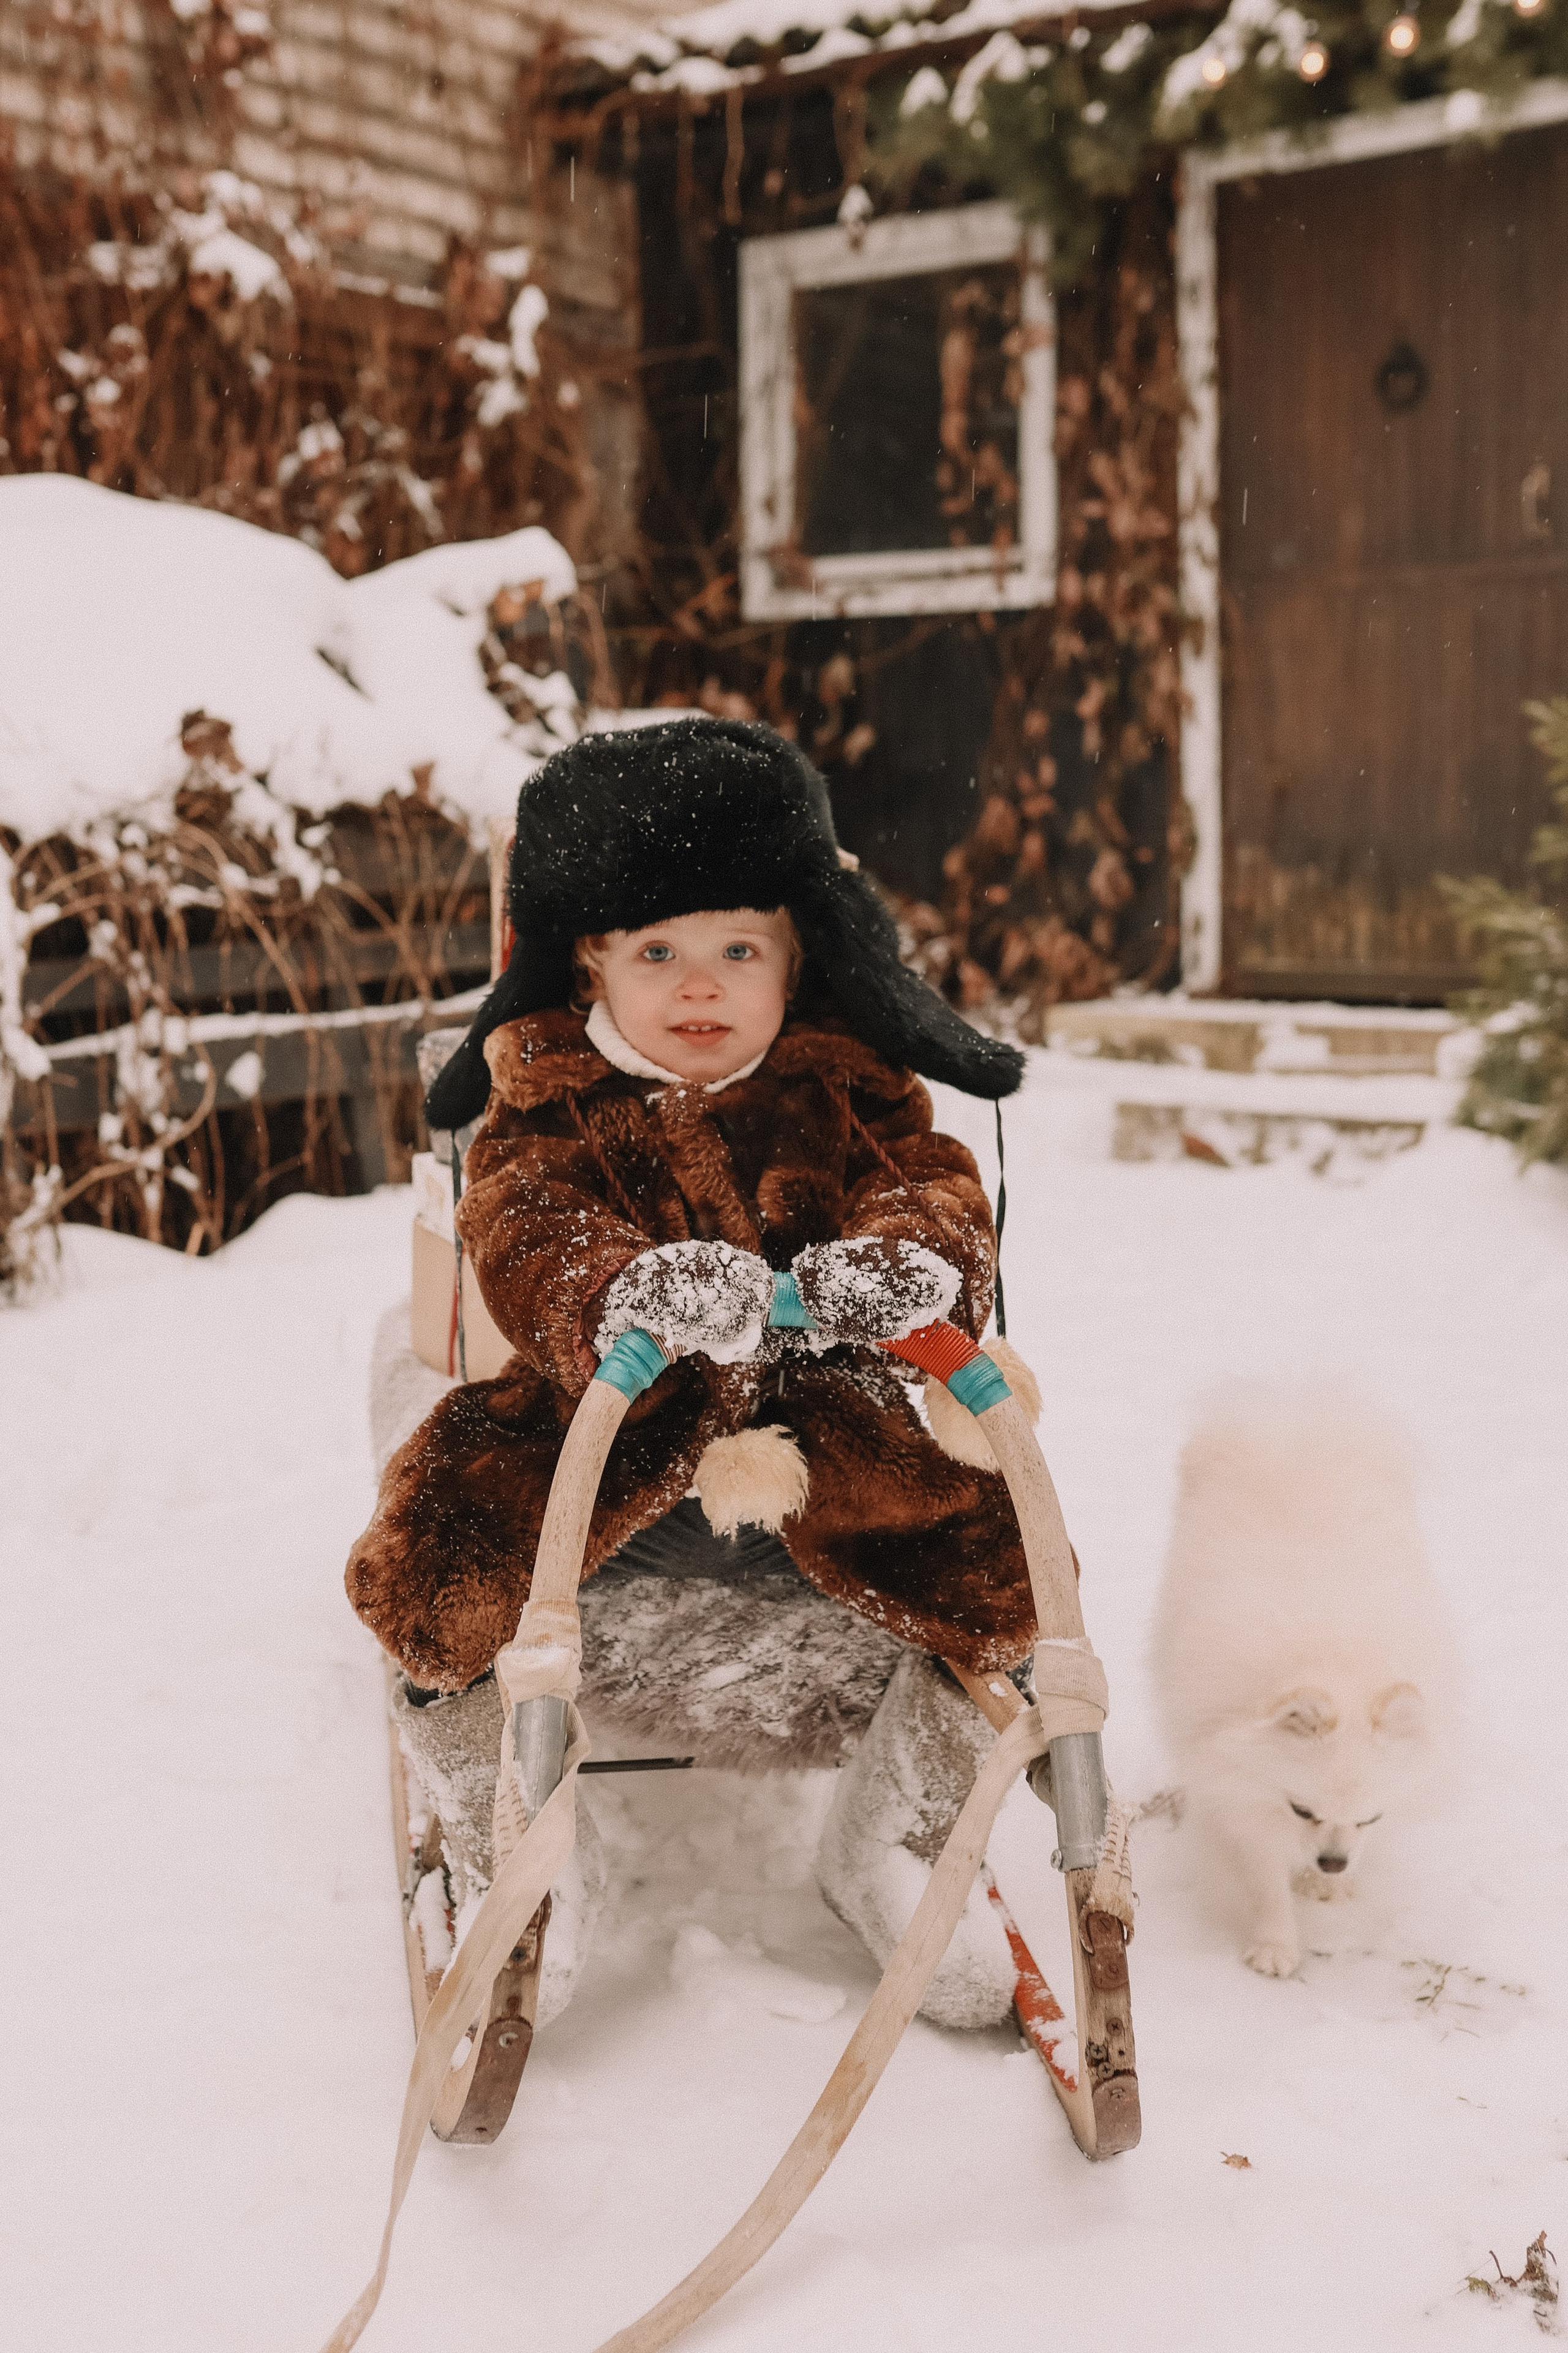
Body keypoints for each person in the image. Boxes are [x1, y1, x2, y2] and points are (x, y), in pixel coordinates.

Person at [348, 716, 1040, 2030]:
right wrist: (622, 1291)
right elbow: (521, 1223)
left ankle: (889, 1836)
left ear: (798, 955)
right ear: (591, 958)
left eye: (739, 948)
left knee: (1002, 1577)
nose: (699, 983)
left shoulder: (848, 1089)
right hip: (602, 1445)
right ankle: (526, 1841)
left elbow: (926, 1185)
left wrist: (903, 1261)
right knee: (433, 1558)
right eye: (656, 951)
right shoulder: (548, 1094)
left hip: (822, 1440)